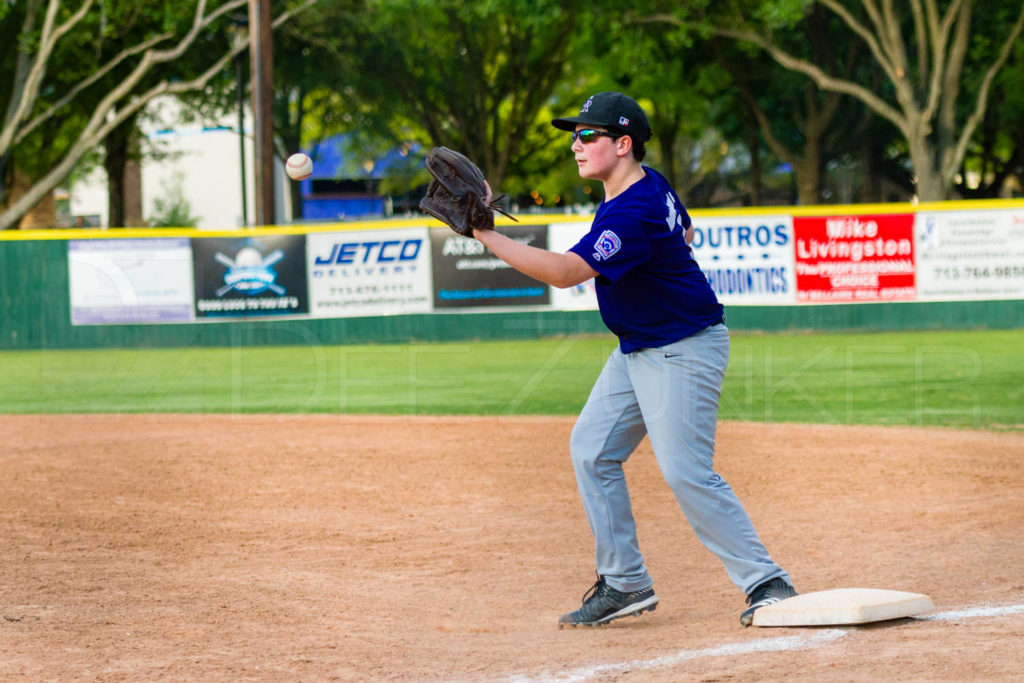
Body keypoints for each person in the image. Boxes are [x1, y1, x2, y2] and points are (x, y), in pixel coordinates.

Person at [473, 91, 795, 628]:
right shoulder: (647, 185)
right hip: (641, 344)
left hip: (681, 348)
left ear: (623, 145)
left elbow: (564, 272)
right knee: (592, 451)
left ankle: (768, 582)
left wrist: (484, 232)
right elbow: (686, 231)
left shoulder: (632, 209)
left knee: (686, 471)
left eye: (587, 135)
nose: (575, 144)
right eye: (574, 134)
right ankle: (624, 583)